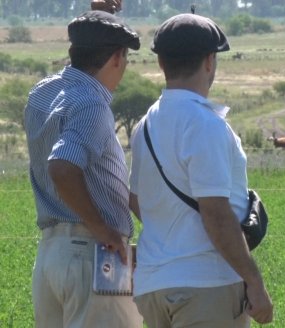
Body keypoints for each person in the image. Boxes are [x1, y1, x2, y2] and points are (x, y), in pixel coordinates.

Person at [129, 13, 274, 327]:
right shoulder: (206, 125)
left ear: (161, 63)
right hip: (207, 285)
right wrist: (254, 280)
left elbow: (136, 199)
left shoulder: (145, 127)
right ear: (210, 61)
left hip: (153, 284)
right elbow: (216, 213)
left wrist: (174, 234)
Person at [24, 3, 143, 327]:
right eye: (125, 59)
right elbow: (63, 167)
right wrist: (103, 230)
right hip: (93, 255)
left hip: (51, 256)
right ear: (118, 57)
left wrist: (102, 19)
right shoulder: (93, 105)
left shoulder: (42, 93)